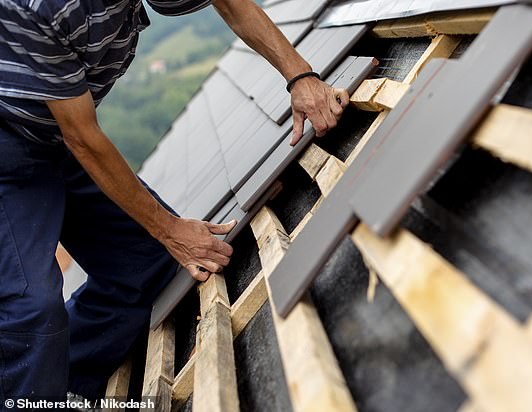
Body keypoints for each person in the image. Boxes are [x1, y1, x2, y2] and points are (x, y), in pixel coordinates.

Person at [0, 0, 349, 402]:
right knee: (31, 314)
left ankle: (59, 388)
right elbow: (83, 137)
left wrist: (300, 76)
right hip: (11, 142)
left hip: (55, 136)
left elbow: (231, 3)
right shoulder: (44, 5)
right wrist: (171, 230)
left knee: (147, 264)